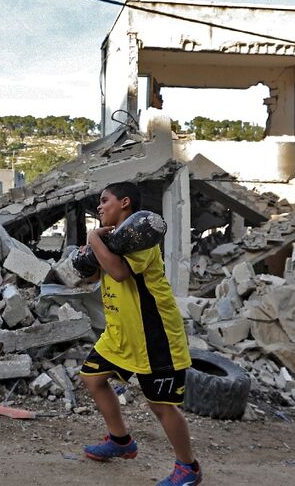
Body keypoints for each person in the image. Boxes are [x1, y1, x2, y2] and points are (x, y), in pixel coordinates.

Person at [79, 181, 202, 486]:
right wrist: (89, 254)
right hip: (121, 332)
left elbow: (120, 272)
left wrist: (93, 238)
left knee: (160, 405)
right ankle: (121, 441)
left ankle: (188, 468)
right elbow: (93, 276)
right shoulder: (112, 239)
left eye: (104, 200)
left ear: (124, 202)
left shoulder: (141, 235)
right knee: (92, 378)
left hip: (154, 334)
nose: (99, 207)